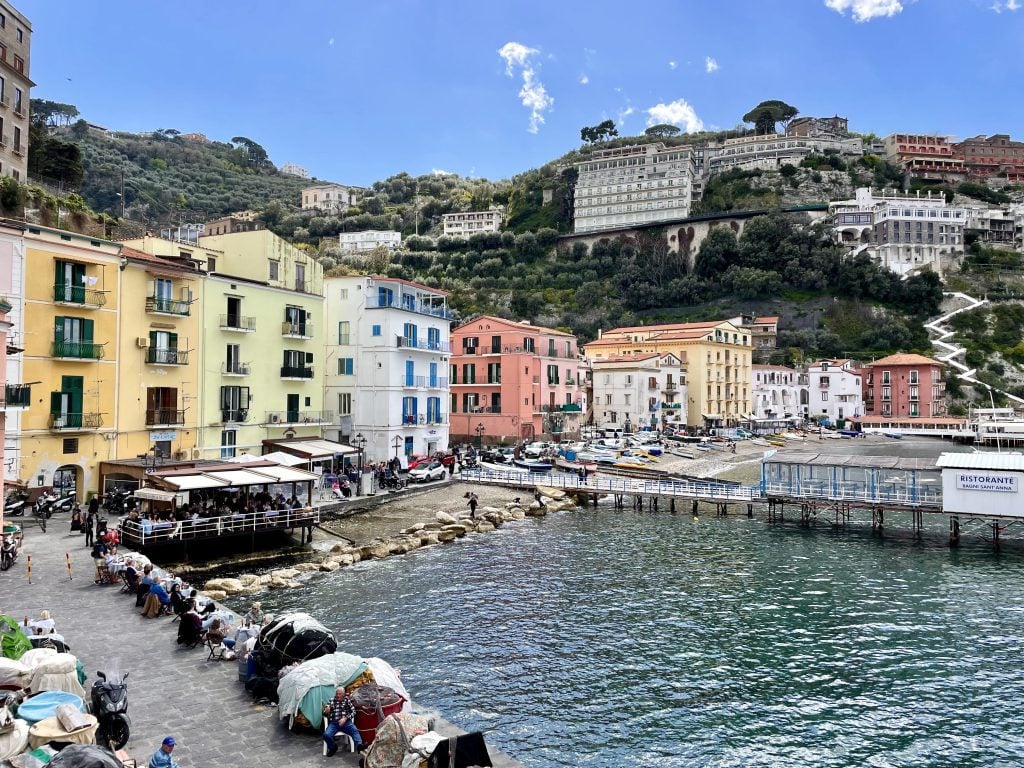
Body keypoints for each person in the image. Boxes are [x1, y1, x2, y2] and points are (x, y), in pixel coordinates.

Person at [323, 688, 363, 756]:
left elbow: (353, 712)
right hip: (334, 723)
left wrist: (345, 718)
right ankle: (333, 748)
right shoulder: (332, 700)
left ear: (343, 694)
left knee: (354, 730)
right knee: (326, 735)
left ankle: (359, 746)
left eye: (339, 694)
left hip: (346, 722)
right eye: (337, 694)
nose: (338, 695)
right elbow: (324, 714)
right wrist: (326, 711)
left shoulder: (347, 700)